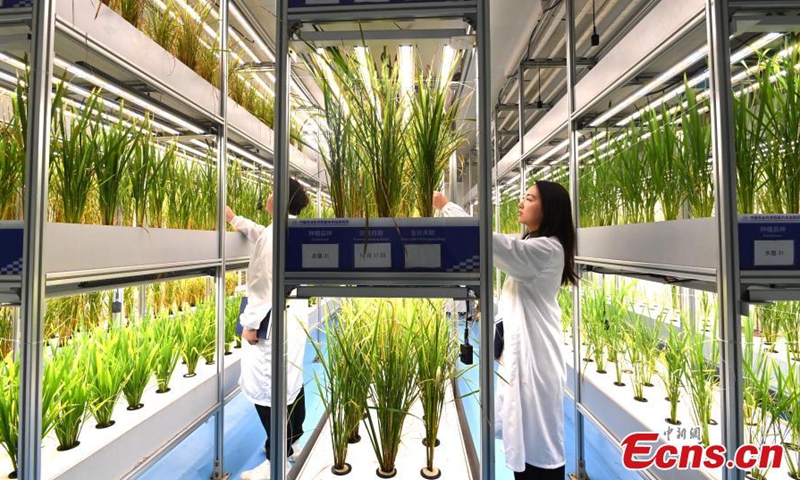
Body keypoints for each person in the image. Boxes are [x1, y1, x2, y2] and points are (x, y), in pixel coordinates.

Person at [433, 181, 577, 480]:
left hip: (536, 363)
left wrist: (445, 206)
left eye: (530, 198)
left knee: (541, 453)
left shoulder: (545, 250)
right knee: (526, 448)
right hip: (525, 359)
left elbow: (489, 240)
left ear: (549, 209)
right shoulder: (534, 246)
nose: (522, 202)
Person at [227, 178, 311, 480]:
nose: (267, 194)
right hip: (291, 319)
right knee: (291, 382)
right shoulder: (288, 229)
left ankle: (275, 460)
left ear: (282, 198)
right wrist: (234, 219)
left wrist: (249, 326)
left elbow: (261, 284)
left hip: (270, 322)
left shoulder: (275, 234)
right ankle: (292, 442)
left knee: (267, 389)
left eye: (273, 190)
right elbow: (259, 233)